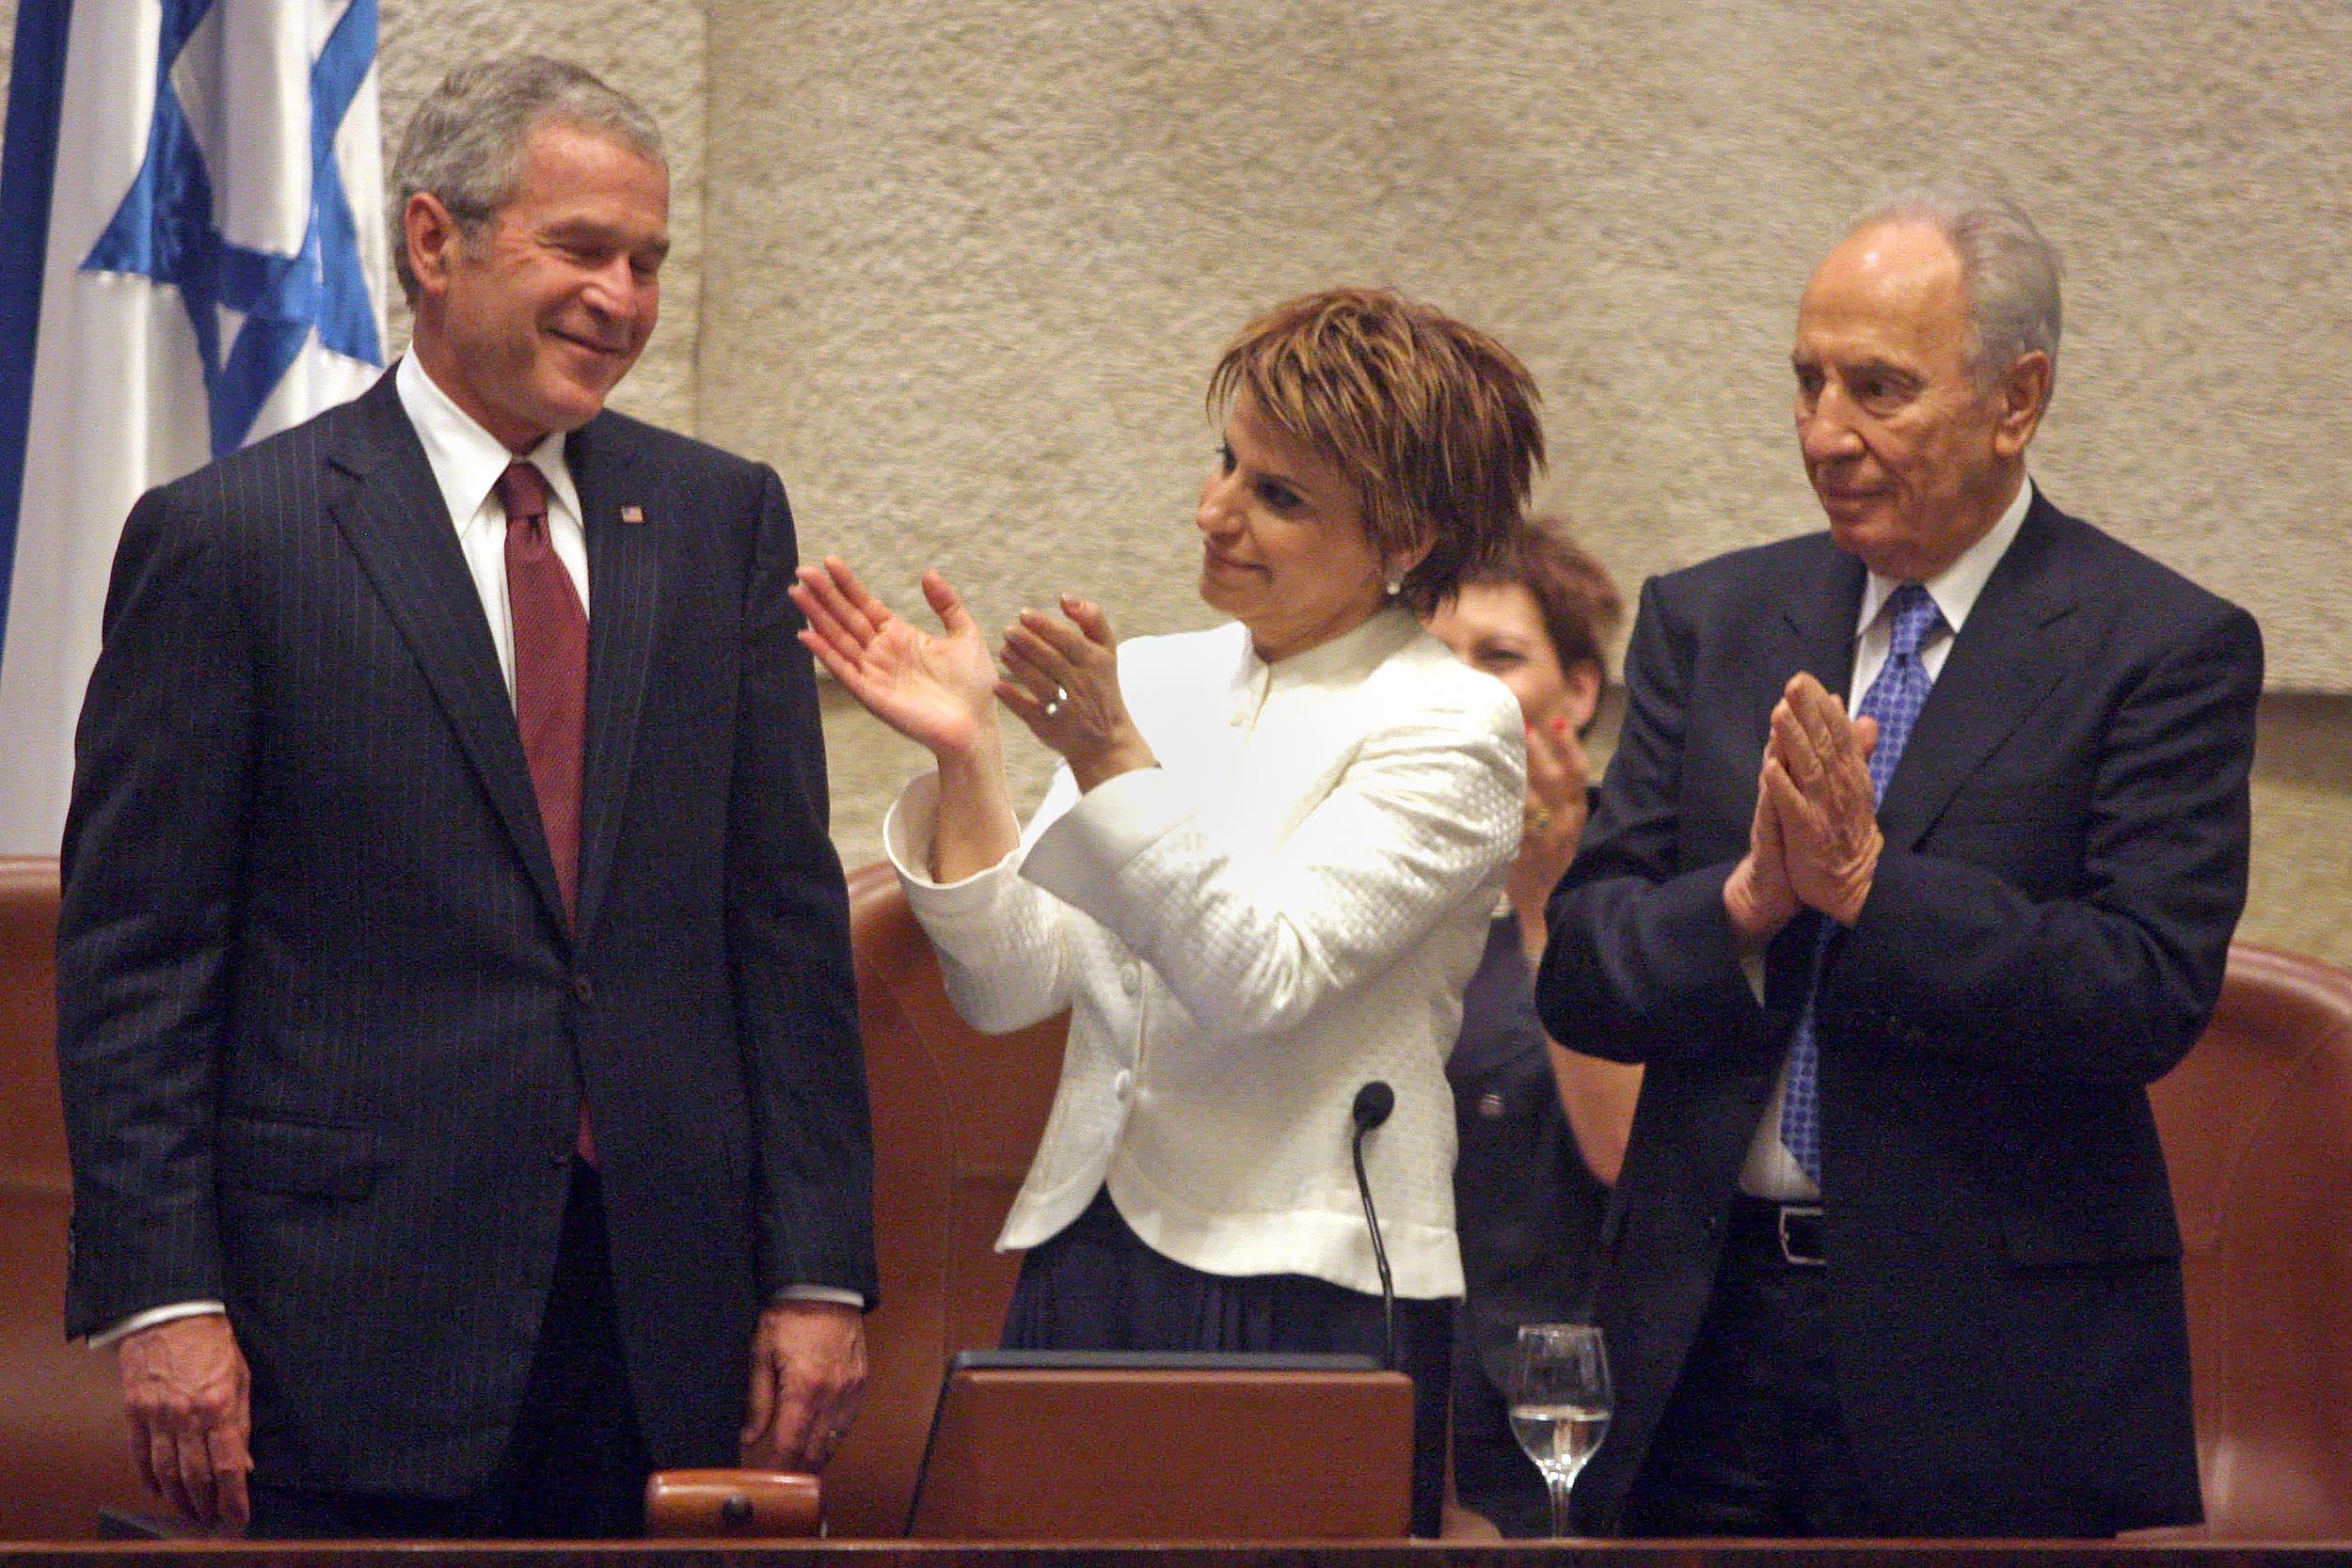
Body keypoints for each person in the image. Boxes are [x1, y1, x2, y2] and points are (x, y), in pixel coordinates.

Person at [56, 56, 874, 1539]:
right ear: (436, 240)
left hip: (660, 1317)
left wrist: (815, 1269)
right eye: (580, 250)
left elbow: (785, 923)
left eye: (647, 263)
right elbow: (139, 961)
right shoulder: (232, 539)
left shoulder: (717, 519)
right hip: (341, 1324)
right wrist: (164, 1299)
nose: (621, 299)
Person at [1537, 185, 2262, 1538]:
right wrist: (1747, 903)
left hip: (1989, 1367)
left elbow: (2144, 988)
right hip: (1700, 1334)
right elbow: (1583, 963)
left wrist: (1876, 886)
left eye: (1878, 388)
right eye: (1807, 382)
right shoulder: (1712, 619)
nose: (1826, 433)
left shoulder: (2158, 647)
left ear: (2017, 397)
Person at [793, 286, 1543, 1536]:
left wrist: (1111, 761)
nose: (1215, 512)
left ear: (1405, 535)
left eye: (1279, 496)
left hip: (1311, 1277)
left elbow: (1262, 977)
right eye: (1227, 462)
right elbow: (1010, 984)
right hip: (1091, 1247)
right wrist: (969, 754)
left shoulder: (1450, 722)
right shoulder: (1151, 675)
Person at [1422, 517, 1641, 1537]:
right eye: (1434, 658)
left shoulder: (1643, 888)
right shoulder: (1389, 875)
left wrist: (1549, 896)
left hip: (1569, 1417)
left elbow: (1620, 1148)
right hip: (1391, 1397)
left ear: (1581, 692)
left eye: (1498, 657)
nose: (1459, 686)